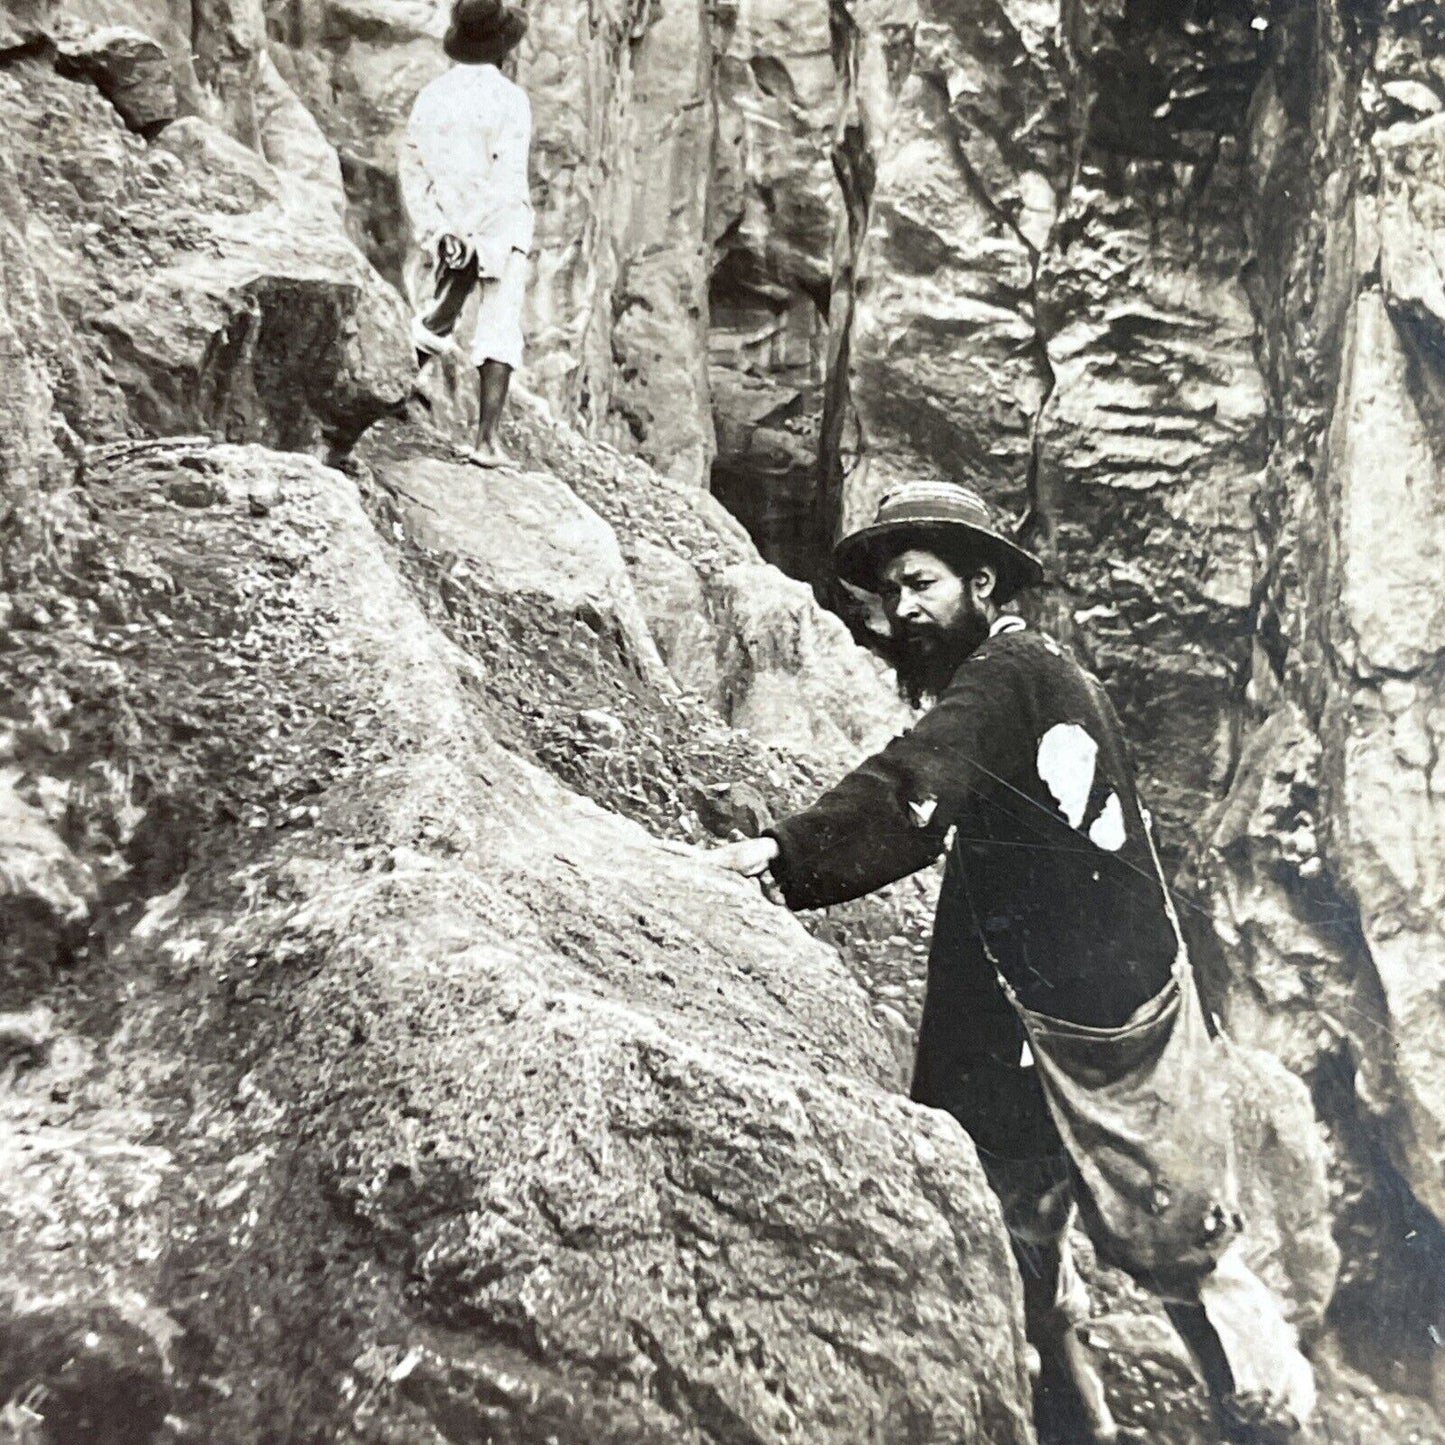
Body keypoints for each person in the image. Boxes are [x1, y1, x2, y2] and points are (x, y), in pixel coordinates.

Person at [706, 479, 1315, 1445]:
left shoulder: (1008, 672)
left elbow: (919, 777)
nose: (902, 608)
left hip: (1099, 1019)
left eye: (921, 583)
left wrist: (784, 851)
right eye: (890, 592)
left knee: (1176, 1243)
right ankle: (1084, 1427)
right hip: (1038, 1009)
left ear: (980, 581)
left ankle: (1267, 1425)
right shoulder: (1024, 673)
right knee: (1024, 1235)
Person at [398, 0, 533, 467]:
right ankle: (486, 441)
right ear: (501, 47)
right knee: (499, 325)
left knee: (438, 316)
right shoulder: (511, 100)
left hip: (449, 230)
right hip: (496, 229)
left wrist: (439, 232)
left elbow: (413, 169)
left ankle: (389, 397)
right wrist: (477, 237)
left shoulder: (431, 97)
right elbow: (508, 177)